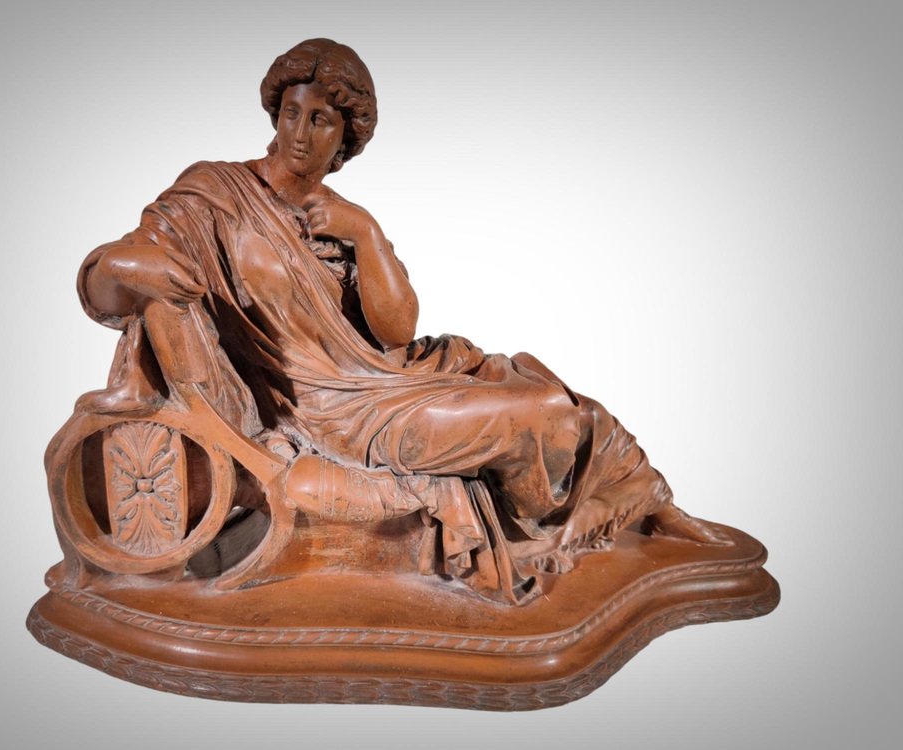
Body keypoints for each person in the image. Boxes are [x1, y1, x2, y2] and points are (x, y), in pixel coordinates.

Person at [76, 39, 725, 601]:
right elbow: (107, 284)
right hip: (325, 413)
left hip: (383, 376)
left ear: (346, 137)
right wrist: (126, 267)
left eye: (321, 120)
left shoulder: (342, 215)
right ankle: (558, 527)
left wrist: (365, 234)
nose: (300, 133)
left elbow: (395, 332)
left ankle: (649, 504)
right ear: (275, 112)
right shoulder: (214, 194)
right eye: (292, 113)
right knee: (537, 413)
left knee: (556, 399)